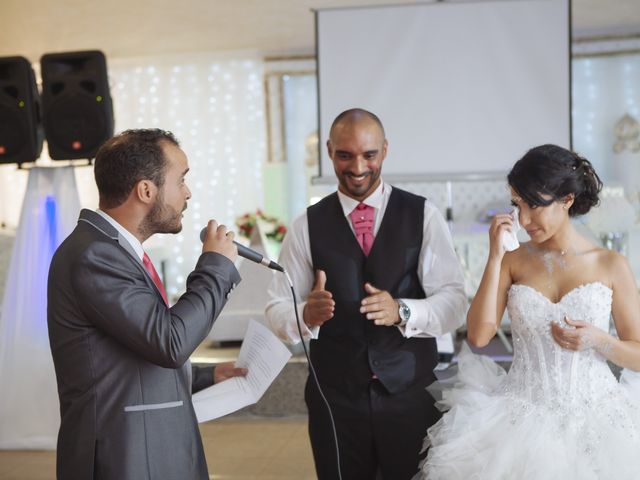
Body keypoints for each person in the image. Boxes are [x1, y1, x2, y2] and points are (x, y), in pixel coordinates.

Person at [265, 108, 467, 479]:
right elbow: (277, 308)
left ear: (385, 151)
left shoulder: (423, 215)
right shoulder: (305, 225)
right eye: (345, 155)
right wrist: (305, 316)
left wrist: (402, 311)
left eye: (369, 155)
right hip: (334, 398)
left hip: (408, 393)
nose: (357, 166)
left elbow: (454, 302)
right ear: (329, 150)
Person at [417, 144, 640, 479]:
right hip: (519, 416)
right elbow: (478, 335)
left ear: (567, 199)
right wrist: (494, 257)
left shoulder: (611, 264)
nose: (523, 219)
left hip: (599, 421)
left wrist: (597, 340)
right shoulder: (512, 259)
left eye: (534, 204)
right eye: (517, 204)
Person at [47, 129, 247, 480]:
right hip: (125, 455)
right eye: (181, 180)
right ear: (146, 190)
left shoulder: (114, 250)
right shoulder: (97, 255)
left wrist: (204, 374)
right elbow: (170, 341)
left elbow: (131, 348)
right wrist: (216, 267)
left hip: (146, 448)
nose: (188, 192)